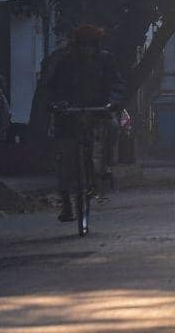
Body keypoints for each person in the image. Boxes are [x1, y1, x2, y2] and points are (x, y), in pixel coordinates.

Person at [46, 25, 125, 222]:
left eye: (90, 45)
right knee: (65, 160)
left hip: (98, 113)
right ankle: (66, 204)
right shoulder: (65, 62)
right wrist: (58, 104)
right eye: (83, 45)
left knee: (113, 127)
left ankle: (105, 166)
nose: (86, 50)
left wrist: (111, 103)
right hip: (69, 117)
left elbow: (116, 84)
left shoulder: (106, 60)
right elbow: (54, 88)